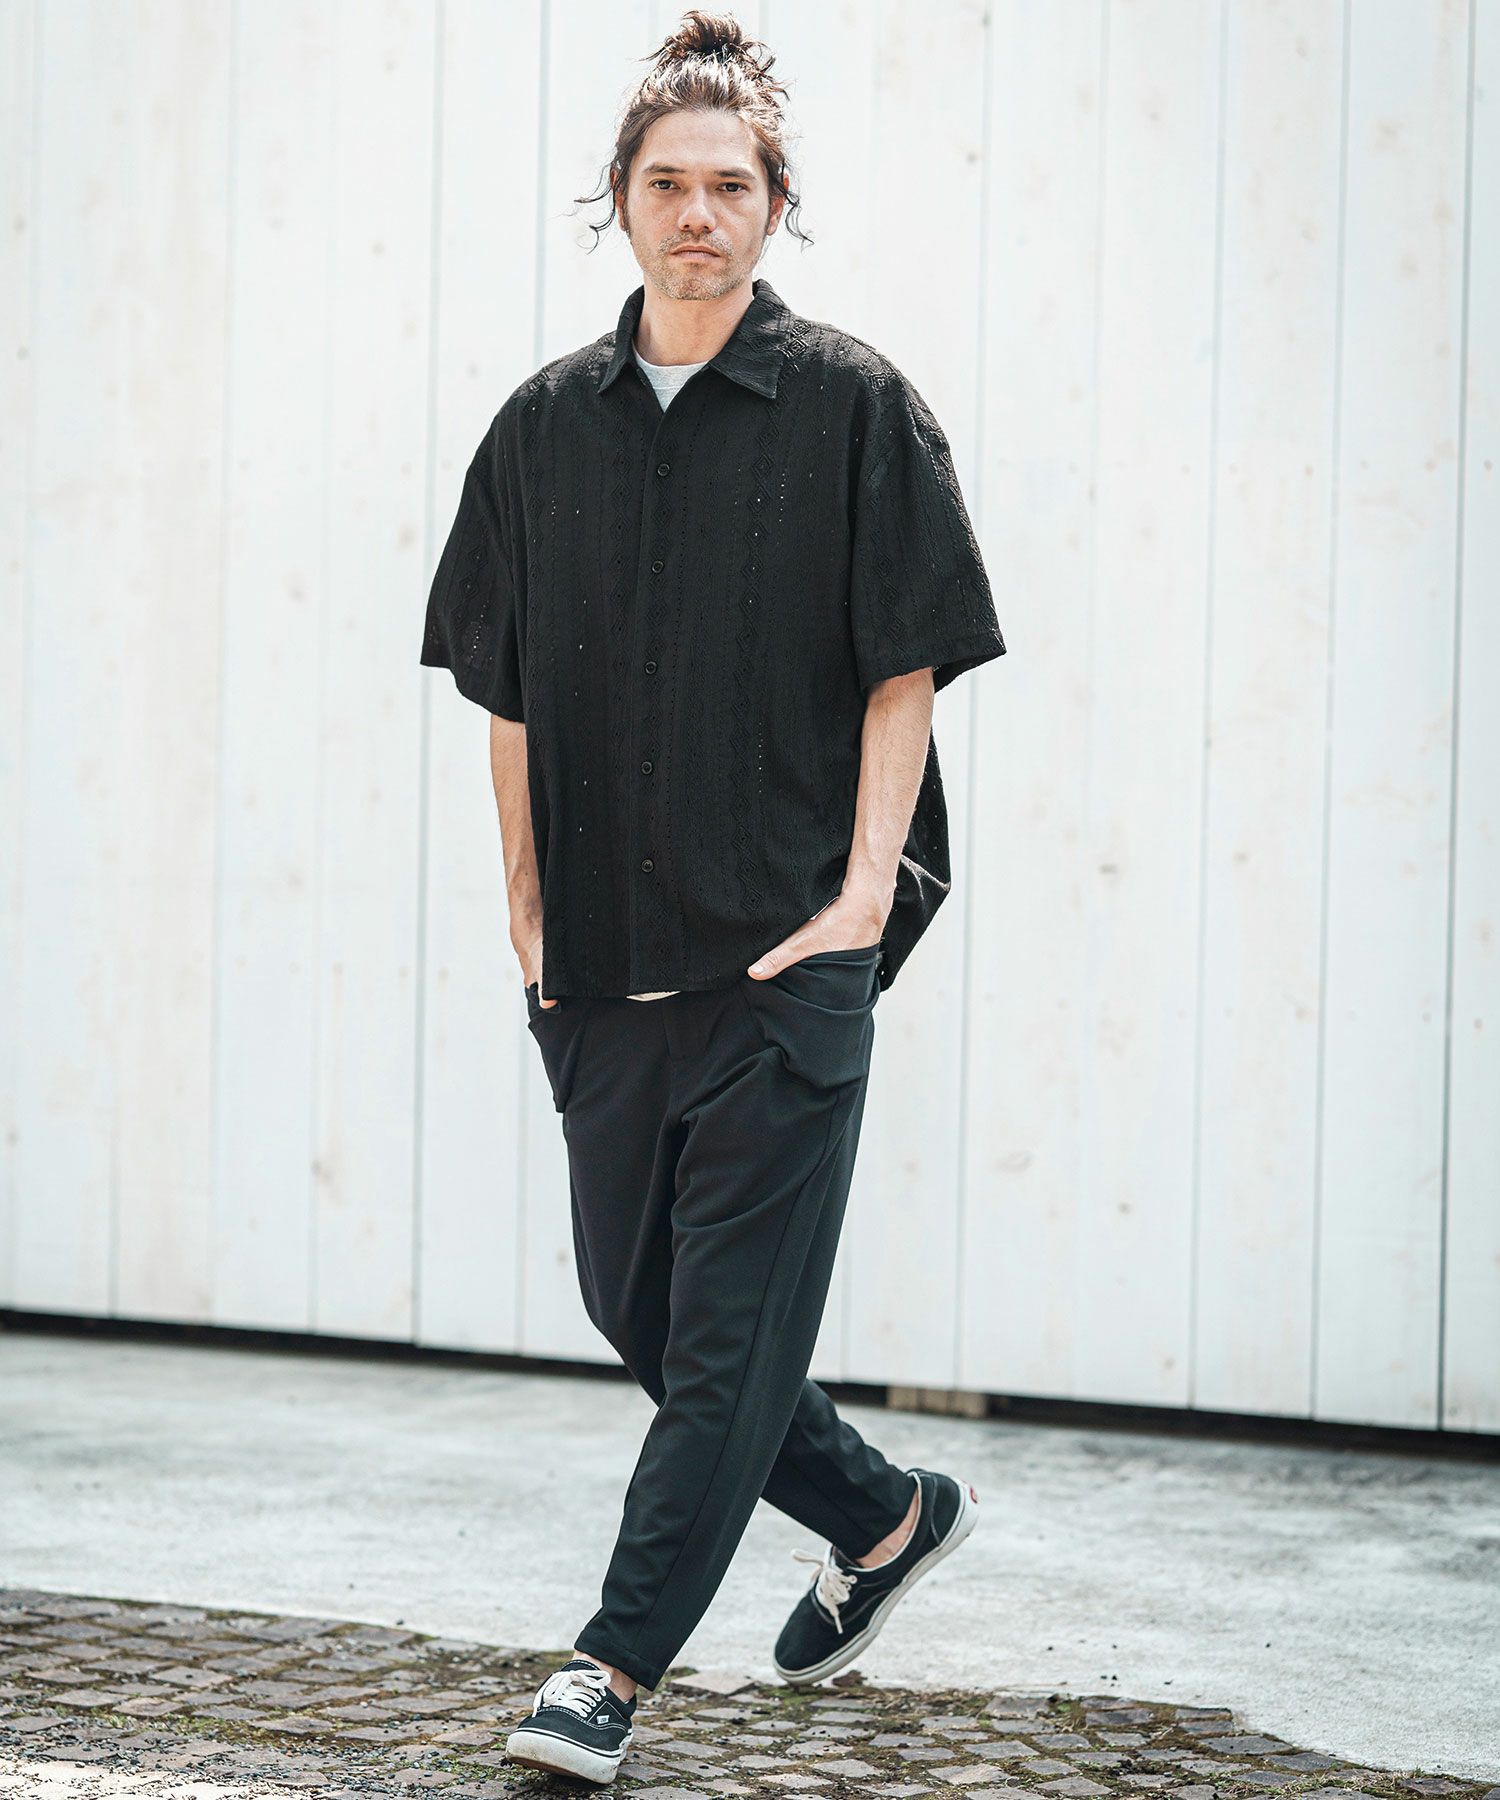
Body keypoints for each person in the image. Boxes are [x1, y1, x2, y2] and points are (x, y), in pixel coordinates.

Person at [419, 9, 1004, 1786]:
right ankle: (885, 1514)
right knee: (647, 1316)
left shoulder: (854, 406)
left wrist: (861, 898)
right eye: (667, 183)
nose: (697, 213)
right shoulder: (541, 431)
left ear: (773, 204)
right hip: (603, 966)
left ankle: (607, 1670)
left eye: (730, 185)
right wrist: (527, 910)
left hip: (787, 958)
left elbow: (905, 668)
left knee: (728, 1332)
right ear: (620, 198)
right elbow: (507, 690)